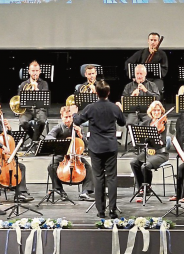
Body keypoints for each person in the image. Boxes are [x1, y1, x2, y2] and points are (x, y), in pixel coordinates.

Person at [72, 80, 127, 218]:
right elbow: (123, 122)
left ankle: (101, 211)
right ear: (108, 93)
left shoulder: (91, 107)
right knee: (112, 178)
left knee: (98, 178)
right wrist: (120, 109)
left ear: (96, 93)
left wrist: (74, 113)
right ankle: (113, 210)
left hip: (96, 147)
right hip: (110, 146)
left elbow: (77, 121)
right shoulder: (114, 108)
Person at [46, 106, 94, 201]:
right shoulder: (58, 128)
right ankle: (59, 190)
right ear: (61, 117)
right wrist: (60, 144)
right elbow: (48, 138)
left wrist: (80, 135)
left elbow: (87, 144)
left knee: (89, 168)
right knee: (51, 166)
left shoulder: (77, 128)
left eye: (70, 117)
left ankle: (85, 192)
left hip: (76, 156)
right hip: (62, 156)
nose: (68, 119)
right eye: (66, 117)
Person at [129, 100, 169, 203]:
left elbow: (162, 142)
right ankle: (140, 188)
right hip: (148, 152)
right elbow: (139, 137)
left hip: (160, 153)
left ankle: (148, 188)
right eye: (154, 110)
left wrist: (158, 138)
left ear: (161, 111)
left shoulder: (163, 123)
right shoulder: (147, 123)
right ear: (151, 112)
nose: (157, 112)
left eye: (158, 110)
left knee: (145, 166)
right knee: (134, 162)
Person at [17, 60, 50, 143]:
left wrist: (36, 89)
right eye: (33, 71)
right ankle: (35, 141)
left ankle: (34, 142)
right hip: (27, 110)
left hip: (40, 108)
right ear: (29, 71)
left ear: (40, 71)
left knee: (42, 121)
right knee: (23, 122)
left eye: (36, 71)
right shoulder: (23, 84)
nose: (35, 73)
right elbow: (19, 99)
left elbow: (44, 99)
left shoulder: (44, 83)